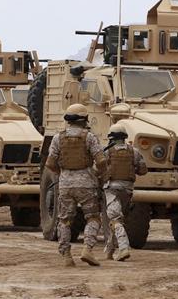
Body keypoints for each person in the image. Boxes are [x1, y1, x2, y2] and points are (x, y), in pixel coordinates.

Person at [45, 104, 106, 267]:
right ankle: (87, 250)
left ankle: (66, 256)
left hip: (65, 185)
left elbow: (50, 163)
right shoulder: (90, 137)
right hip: (86, 184)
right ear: (84, 119)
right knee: (93, 218)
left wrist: (63, 173)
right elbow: (101, 160)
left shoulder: (58, 138)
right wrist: (99, 174)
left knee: (64, 220)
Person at [102, 124, 147, 261]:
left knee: (115, 220)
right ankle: (109, 251)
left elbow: (98, 170)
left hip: (111, 189)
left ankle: (123, 248)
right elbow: (143, 170)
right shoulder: (134, 151)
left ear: (111, 137)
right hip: (127, 190)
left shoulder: (107, 152)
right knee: (117, 220)